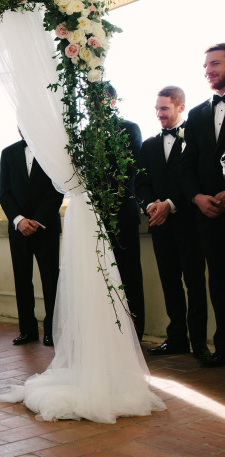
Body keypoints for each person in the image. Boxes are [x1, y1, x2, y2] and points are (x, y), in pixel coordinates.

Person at [136, 86, 210, 360]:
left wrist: (171, 204)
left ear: (180, 106)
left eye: (164, 108)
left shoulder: (195, 138)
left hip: (189, 224)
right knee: (169, 281)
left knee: (194, 282)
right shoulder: (149, 145)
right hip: (160, 226)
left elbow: (195, 178)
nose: (159, 114)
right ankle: (176, 338)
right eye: (156, 109)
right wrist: (150, 205)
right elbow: (140, 182)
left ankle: (199, 343)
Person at [180, 43, 225, 368]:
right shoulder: (197, 114)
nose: (208, 69)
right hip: (210, 216)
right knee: (219, 282)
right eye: (206, 65)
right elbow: (187, 165)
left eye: (216, 63)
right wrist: (197, 197)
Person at [0, 133, 63, 347]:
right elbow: (4, 192)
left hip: (46, 227)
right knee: (22, 278)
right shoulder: (8, 153)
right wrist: (19, 220)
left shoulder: (53, 150)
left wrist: (37, 220)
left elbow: (57, 190)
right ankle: (27, 330)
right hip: (18, 228)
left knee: (50, 278)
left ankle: (51, 330)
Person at [102, 84, 146, 341]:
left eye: (100, 100)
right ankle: (109, 331)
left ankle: (135, 331)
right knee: (103, 274)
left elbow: (131, 170)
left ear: (113, 101)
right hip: (95, 213)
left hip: (123, 211)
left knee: (129, 271)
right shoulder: (85, 134)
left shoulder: (129, 128)